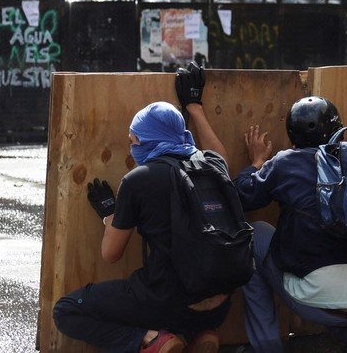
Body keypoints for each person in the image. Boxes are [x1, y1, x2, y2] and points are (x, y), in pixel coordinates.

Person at [53, 63, 237, 353]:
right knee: (182, 289)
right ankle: (200, 332)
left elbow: (111, 254)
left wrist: (110, 214)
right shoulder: (213, 166)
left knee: (66, 310)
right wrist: (194, 107)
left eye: (133, 141)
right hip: (221, 306)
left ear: (144, 140)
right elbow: (220, 155)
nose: (132, 148)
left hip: (168, 301)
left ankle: (151, 339)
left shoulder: (139, 179)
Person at [235, 60, 347, 353]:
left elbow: (242, 197)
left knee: (253, 234)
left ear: (292, 135)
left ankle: (265, 347)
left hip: (318, 299)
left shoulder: (287, 162)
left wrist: (256, 163)